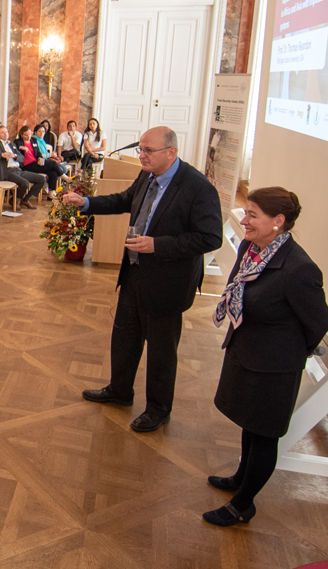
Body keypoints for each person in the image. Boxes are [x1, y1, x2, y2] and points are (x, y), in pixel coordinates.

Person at [62, 126, 223, 432]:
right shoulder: (147, 175)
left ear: (171, 152)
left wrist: (157, 245)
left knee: (161, 350)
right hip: (135, 272)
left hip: (168, 282)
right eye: (141, 149)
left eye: (149, 151)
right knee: (124, 336)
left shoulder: (197, 187)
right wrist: (87, 204)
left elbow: (210, 237)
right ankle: (119, 390)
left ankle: (158, 409)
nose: (142, 156)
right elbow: (124, 200)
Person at [203, 188, 328, 526]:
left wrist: (288, 353)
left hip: (274, 367)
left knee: (264, 436)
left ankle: (243, 505)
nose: (244, 220)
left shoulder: (299, 269)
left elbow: (319, 323)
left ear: (278, 221)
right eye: (246, 212)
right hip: (247, 353)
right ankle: (240, 478)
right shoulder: (252, 248)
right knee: (250, 425)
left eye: (252, 214)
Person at [0, 124, 46, 210]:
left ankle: (25, 199)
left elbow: (22, 158)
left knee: (41, 179)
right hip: (7, 171)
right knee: (25, 183)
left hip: (18, 170)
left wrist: (14, 156)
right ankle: (14, 200)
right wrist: (1, 154)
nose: (5, 134)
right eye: (2, 133)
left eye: (6, 132)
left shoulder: (11, 144)